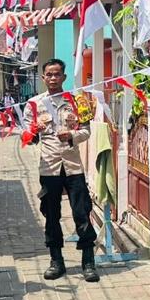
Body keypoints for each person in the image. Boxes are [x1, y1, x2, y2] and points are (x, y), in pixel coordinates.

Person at [22, 59, 97, 283]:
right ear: (43, 77)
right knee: (51, 214)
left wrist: (72, 136)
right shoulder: (34, 104)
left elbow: (86, 131)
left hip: (73, 167)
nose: (53, 78)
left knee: (81, 213)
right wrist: (35, 131)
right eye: (49, 74)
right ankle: (56, 261)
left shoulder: (76, 101)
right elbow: (26, 136)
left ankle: (88, 262)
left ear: (64, 77)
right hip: (49, 167)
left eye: (57, 74)